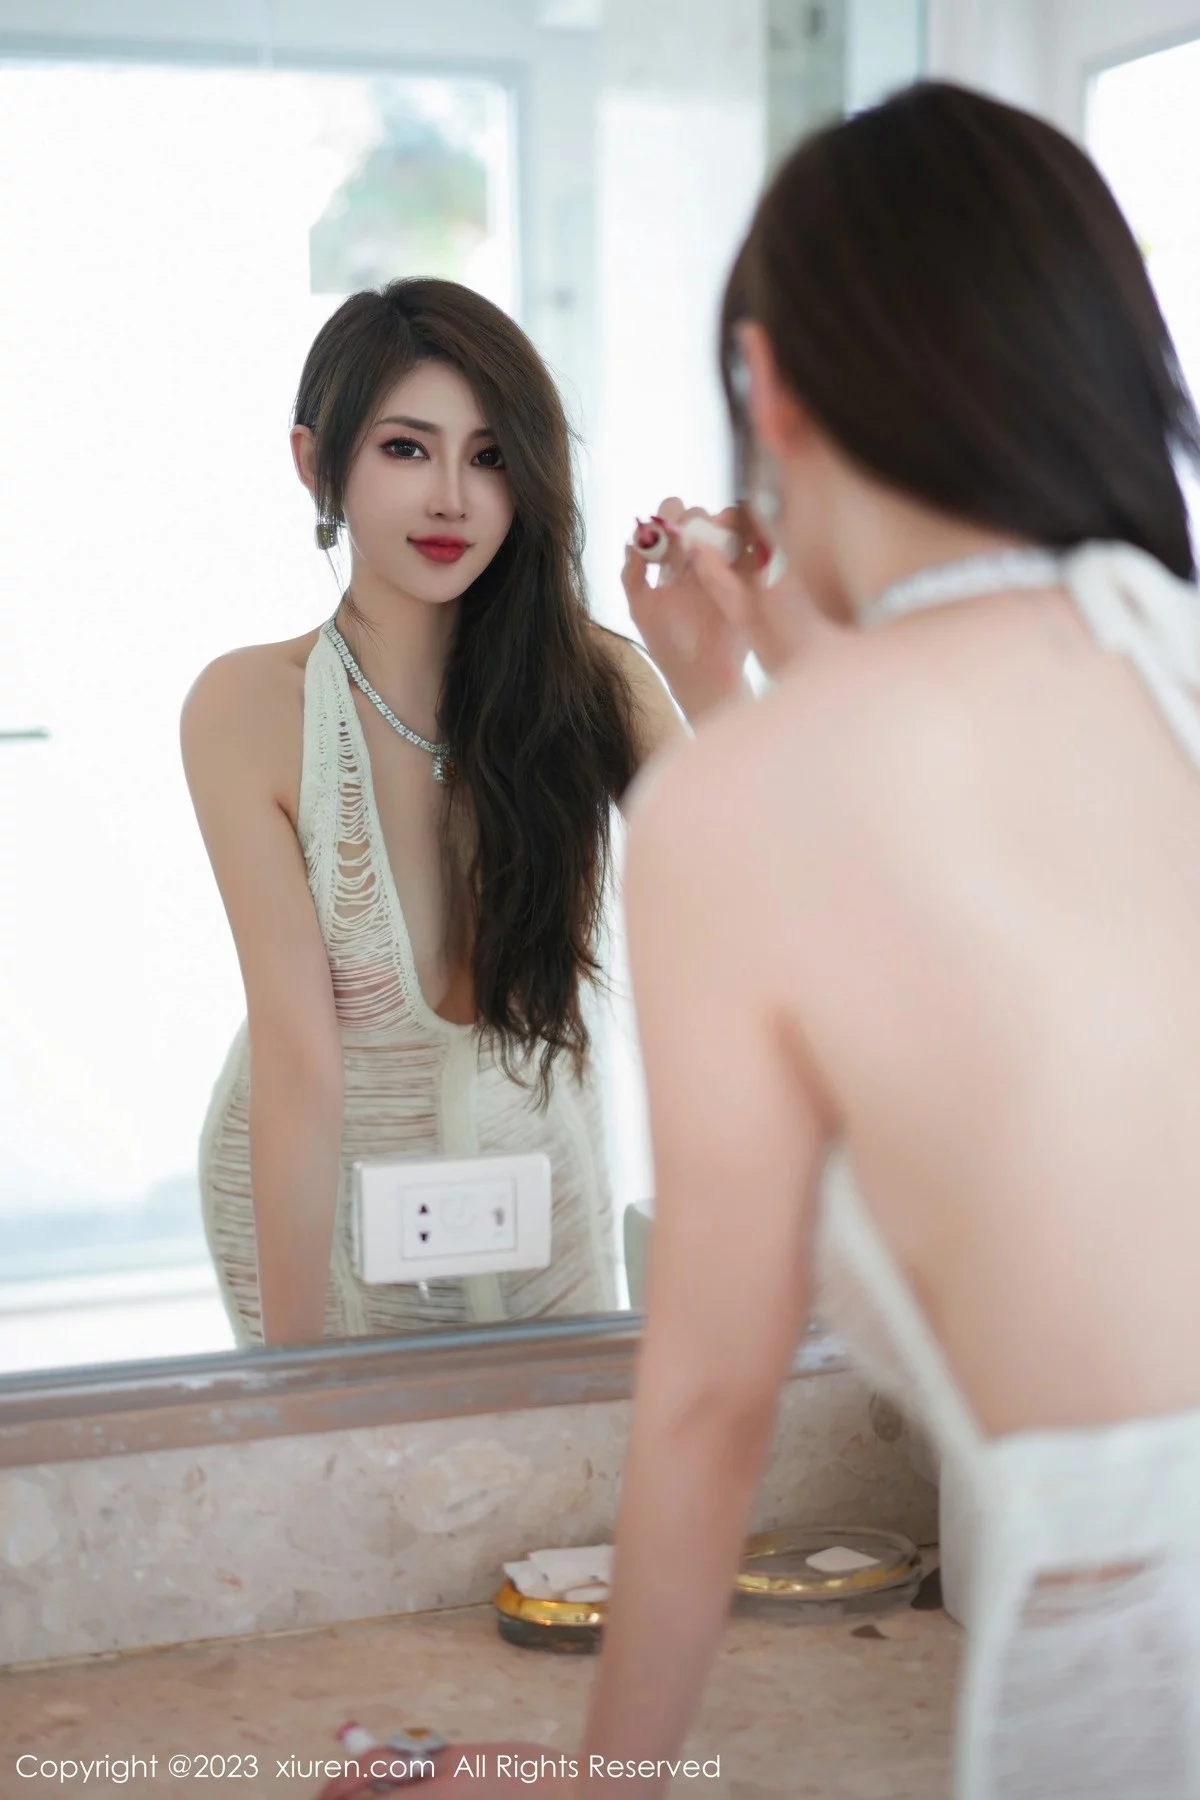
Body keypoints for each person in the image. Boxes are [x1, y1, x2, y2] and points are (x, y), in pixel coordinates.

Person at [369, 80, 1200, 1800]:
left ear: (768, 383)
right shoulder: (1157, 668)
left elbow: (711, 1405)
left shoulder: (743, 813)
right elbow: (1003, 888)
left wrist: (601, 1787)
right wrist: (742, 676)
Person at [180, 277, 740, 1348]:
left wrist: (710, 679)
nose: (452, 498)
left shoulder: (595, 683)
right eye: (406, 448)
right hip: (315, 1206)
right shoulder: (248, 707)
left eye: (489, 457)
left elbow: (767, 908)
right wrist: (292, 1384)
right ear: (315, 462)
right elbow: (300, 1057)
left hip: (540, 1184)